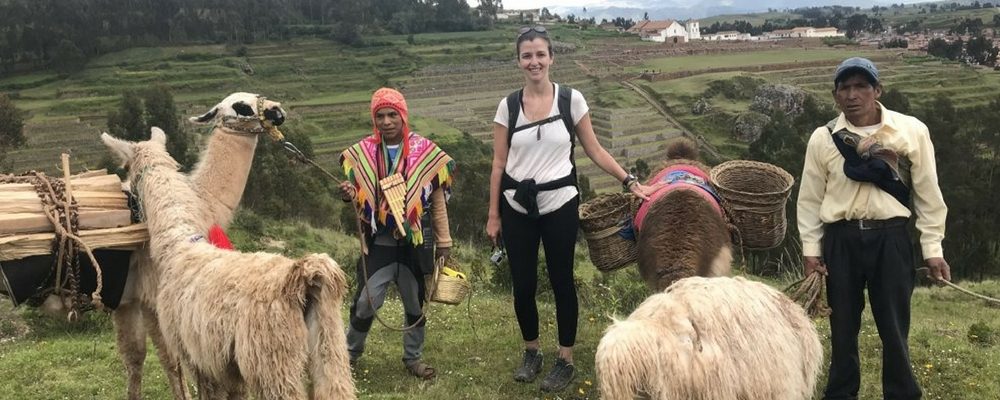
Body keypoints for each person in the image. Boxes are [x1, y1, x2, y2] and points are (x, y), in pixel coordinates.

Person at [485, 26, 660, 393]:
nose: (534, 62)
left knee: (562, 280)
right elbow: (499, 163)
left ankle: (565, 358)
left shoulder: (571, 100)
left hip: (560, 203)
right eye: (527, 56)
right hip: (516, 206)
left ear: (551, 58)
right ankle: (532, 351)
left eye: (540, 54)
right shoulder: (508, 107)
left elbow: (594, 149)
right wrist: (493, 215)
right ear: (518, 62)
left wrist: (629, 181)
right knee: (523, 284)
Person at [797, 57, 951, 400]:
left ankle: (901, 393)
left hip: (891, 238)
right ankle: (841, 394)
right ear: (836, 96)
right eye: (845, 88)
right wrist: (811, 251)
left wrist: (933, 249)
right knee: (842, 327)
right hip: (841, 240)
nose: (852, 95)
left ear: (877, 90)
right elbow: (809, 199)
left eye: (861, 86)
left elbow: (928, 194)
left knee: (894, 327)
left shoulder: (910, 131)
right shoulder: (823, 139)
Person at [339, 87, 455, 380]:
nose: (387, 121)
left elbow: (437, 201)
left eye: (393, 115)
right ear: (374, 119)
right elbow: (360, 196)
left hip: (415, 244)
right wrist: (350, 194)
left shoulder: (425, 152)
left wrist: (444, 242)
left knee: (415, 302)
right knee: (366, 301)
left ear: (403, 116)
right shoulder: (363, 153)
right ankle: (348, 355)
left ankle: (413, 358)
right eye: (380, 116)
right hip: (379, 243)